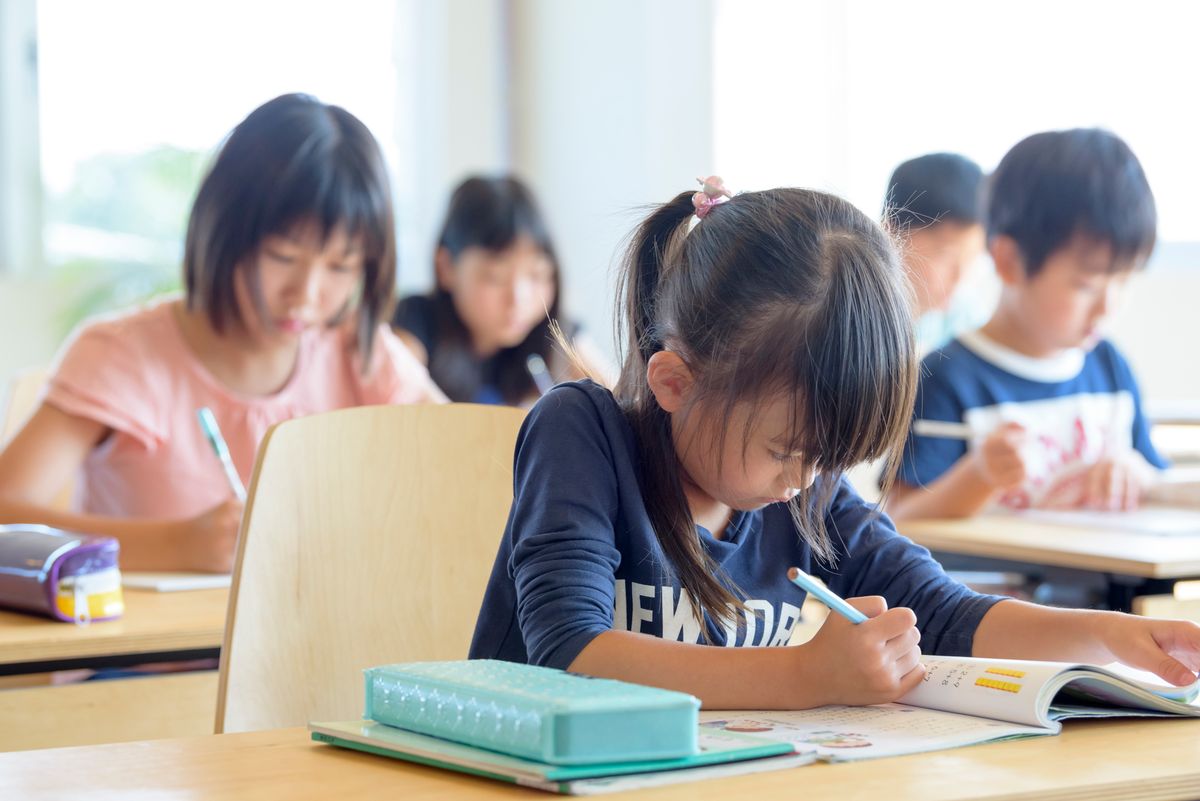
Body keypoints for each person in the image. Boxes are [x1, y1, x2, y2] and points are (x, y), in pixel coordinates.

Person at [468, 178, 1200, 710]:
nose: (805, 478)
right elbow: (570, 652)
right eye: (787, 449)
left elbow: (940, 611)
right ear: (675, 383)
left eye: (827, 457)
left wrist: (1109, 638)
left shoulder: (802, 484)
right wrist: (805, 676)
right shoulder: (581, 433)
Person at [0, 93, 445, 573]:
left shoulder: (362, 353)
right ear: (223, 232)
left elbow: (474, 475)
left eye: (341, 266)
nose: (306, 294)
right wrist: (174, 546)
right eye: (282, 257)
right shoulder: (122, 356)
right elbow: (6, 516)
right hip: (153, 626)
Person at [889, 129, 1165, 521]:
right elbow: (898, 519)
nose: (1108, 306)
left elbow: (1156, 476)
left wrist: (1138, 473)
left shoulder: (1110, 367)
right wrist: (978, 476)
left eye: (1123, 280)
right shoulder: (945, 378)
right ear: (1009, 261)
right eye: (1086, 285)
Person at [393, 175, 609, 406]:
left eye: (537, 275)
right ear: (446, 267)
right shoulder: (415, 321)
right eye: (495, 277)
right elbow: (399, 401)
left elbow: (618, 404)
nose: (519, 299)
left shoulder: (558, 335)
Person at [884, 152, 986, 352]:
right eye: (947, 255)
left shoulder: (966, 319)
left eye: (972, 259)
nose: (959, 277)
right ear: (891, 233)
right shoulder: (857, 316)